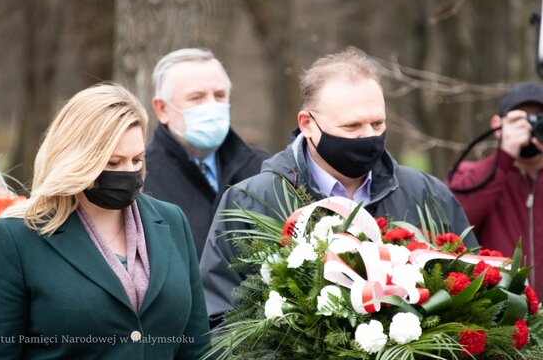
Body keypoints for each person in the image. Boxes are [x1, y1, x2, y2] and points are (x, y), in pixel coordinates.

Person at [200, 47, 478, 326]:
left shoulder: (428, 195)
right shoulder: (250, 203)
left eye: (377, 123)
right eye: (352, 126)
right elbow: (219, 318)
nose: (368, 136)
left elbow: (476, 297)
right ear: (307, 124)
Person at [0, 83, 210, 359]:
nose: (129, 172)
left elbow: (197, 348)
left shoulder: (172, 221)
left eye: (137, 160)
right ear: (77, 159)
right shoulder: (16, 239)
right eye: (113, 162)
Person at [145, 48, 269, 259]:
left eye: (219, 95)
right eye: (196, 97)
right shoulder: (142, 179)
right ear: (162, 109)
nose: (212, 106)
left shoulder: (263, 169)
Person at [447, 81, 543, 297]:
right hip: (499, 308)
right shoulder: (471, 175)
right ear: (497, 125)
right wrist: (503, 160)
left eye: (539, 120)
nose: (529, 129)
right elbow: (452, 223)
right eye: (520, 121)